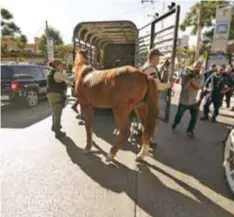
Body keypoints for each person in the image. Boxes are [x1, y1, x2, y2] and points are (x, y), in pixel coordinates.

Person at [131, 48, 171, 146]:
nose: (159, 60)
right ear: (153, 57)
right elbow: (158, 86)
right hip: (148, 100)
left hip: (142, 98)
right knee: (151, 122)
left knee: (143, 121)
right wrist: (170, 85)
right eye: (158, 57)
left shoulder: (144, 67)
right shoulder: (151, 69)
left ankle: (144, 138)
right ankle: (147, 141)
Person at [172, 60, 203, 139]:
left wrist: (193, 82)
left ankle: (190, 131)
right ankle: (175, 123)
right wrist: (190, 80)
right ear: (193, 66)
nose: (198, 68)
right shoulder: (186, 75)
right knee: (179, 115)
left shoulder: (200, 76)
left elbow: (198, 88)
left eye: (200, 67)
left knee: (194, 117)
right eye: (197, 66)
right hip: (184, 100)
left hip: (193, 101)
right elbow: (184, 88)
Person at [47, 59, 72, 139]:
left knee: (54, 111)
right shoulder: (57, 73)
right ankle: (58, 132)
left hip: (50, 94)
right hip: (56, 94)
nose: (62, 66)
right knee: (58, 113)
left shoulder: (51, 73)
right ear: (57, 65)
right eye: (61, 64)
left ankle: (54, 126)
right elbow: (68, 80)